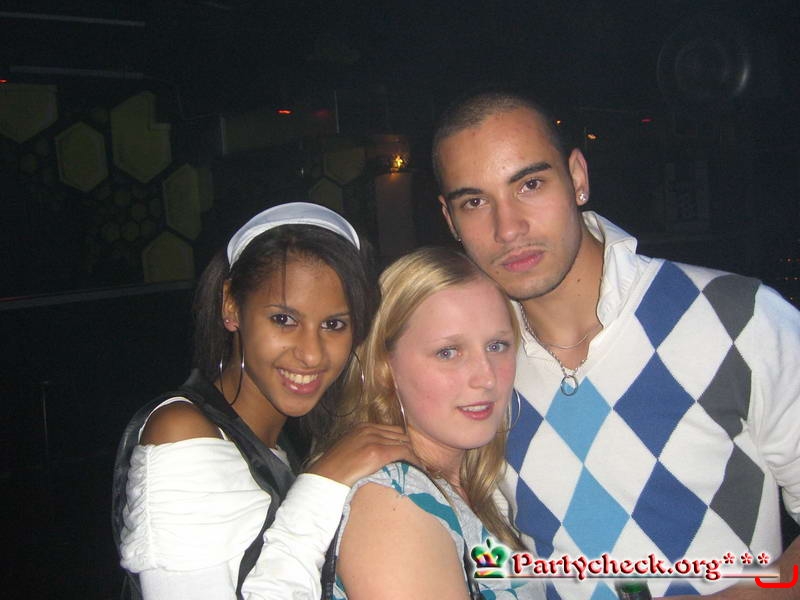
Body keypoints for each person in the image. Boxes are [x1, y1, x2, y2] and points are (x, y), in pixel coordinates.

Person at [431, 89, 800, 600]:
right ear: (450, 220)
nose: (508, 228)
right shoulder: (472, 372)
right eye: (474, 202)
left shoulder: (738, 317)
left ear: (577, 178)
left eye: (530, 184)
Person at [112, 202, 416, 599]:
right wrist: (322, 484)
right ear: (231, 305)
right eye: (284, 319)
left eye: (333, 324)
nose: (311, 354)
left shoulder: (283, 441)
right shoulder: (181, 433)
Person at [318, 246, 545, 600]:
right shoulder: (395, 504)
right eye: (448, 352)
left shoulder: (474, 485)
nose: (486, 377)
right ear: (385, 368)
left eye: (497, 346)